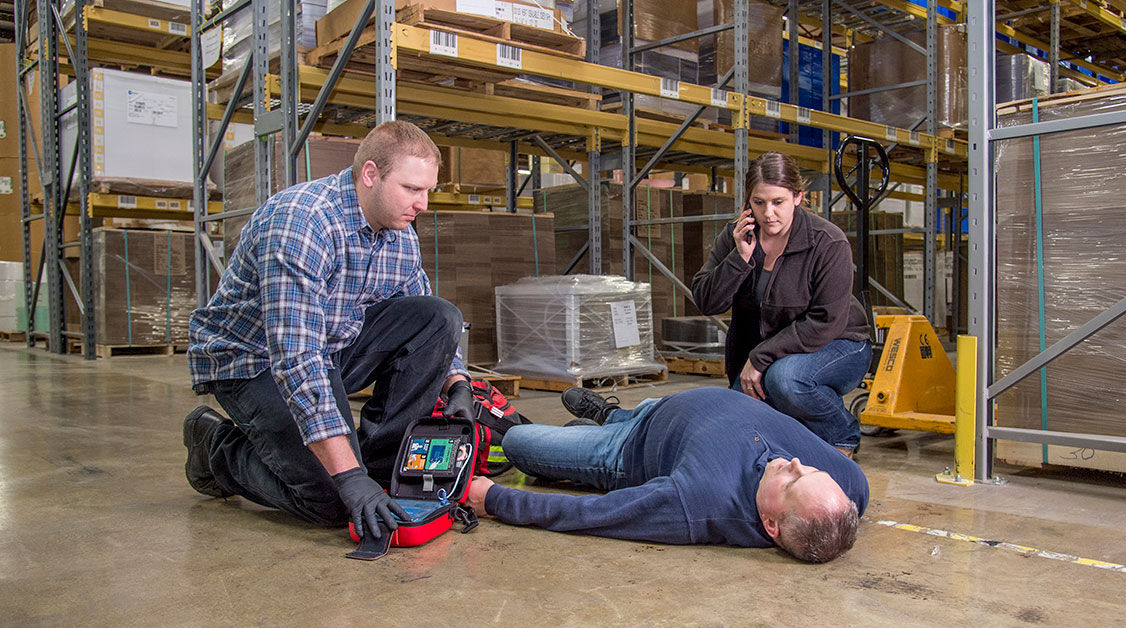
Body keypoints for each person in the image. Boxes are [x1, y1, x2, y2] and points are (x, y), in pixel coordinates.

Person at [183, 121, 477, 542]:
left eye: (428, 190)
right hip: (254, 361)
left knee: (439, 316)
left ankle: (378, 465)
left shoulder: (399, 235)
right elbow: (297, 359)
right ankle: (215, 447)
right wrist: (348, 478)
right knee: (332, 500)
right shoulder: (302, 223)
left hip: (333, 345)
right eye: (413, 189)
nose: (423, 204)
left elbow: (425, 315)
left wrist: (458, 384)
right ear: (371, 174)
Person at [467, 386, 869, 563]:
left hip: (627, 449)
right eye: (811, 469)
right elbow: (837, 494)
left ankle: (599, 435)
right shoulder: (846, 486)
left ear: (769, 523)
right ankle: (608, 413)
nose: (797, 463)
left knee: (519, 441)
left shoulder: (699, 502)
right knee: (633, 410)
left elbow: (594, 515)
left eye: (794, 481)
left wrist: (496, 500)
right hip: (667, 407)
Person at [691, 152, 872, 457]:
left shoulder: (828, 242)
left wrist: (760, 359)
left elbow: (825, 321)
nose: (768, 213)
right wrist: (740, 259)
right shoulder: (735, 235)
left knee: (786, 380)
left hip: (840, 343)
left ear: (798, 197)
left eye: (778, 202)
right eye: (758, 202)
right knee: (729, 430)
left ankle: (841, 433)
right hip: (773, 352)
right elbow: (706, 301)